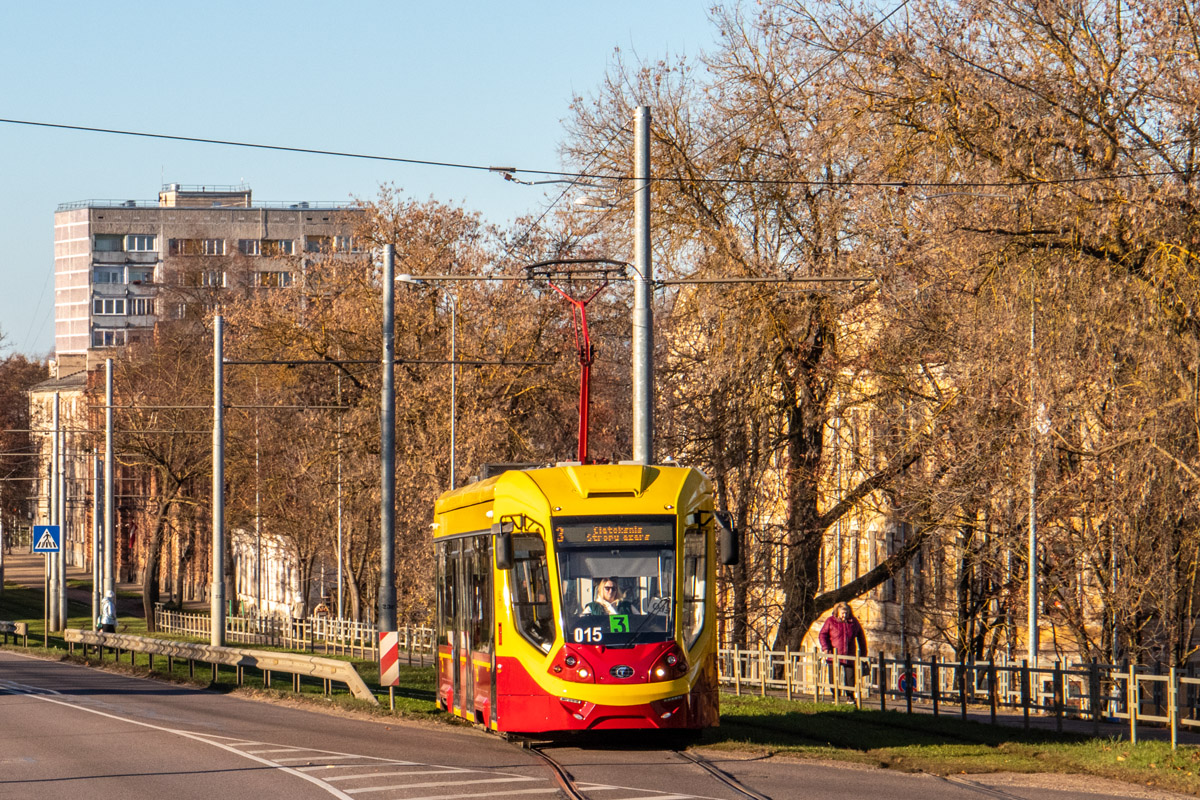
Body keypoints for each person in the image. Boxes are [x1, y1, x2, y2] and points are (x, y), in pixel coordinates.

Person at [818, 602, 867, 695]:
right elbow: (822, 634)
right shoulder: (830, 621)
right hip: (834, 654)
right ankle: (835, 695)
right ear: (837, 612)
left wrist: (863, 653)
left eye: (846, 613)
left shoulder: (853, 622)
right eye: (843, 613)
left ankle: (850, 696)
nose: (844, 615)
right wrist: (825, 648)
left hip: (849, 654)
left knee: (850, 677)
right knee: (834, 677)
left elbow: (861, 637)